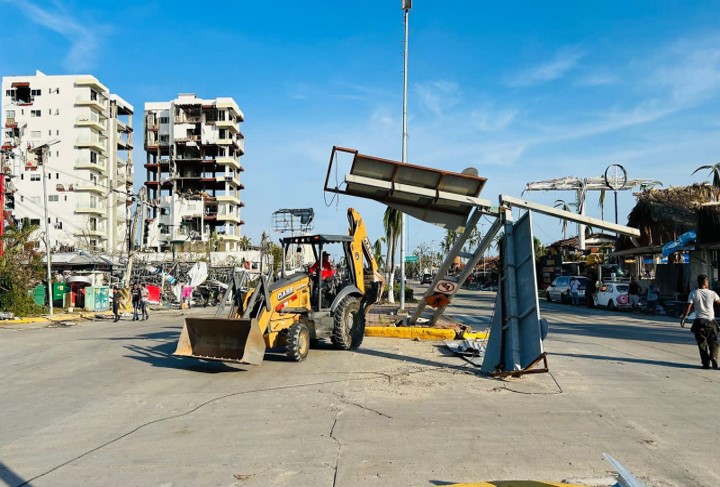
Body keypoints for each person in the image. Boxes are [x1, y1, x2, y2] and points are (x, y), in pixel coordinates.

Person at [680, 275, 720, 369]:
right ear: (706, 283)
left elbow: (688, 307)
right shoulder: (713, 293)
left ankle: (706, 363)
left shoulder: (693, 293)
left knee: (702, 344)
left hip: (699, 322)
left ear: (698, 283)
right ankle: (713, 356)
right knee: (713, 342)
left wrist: (683, 318)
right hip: (711, 321)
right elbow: (719, 303)